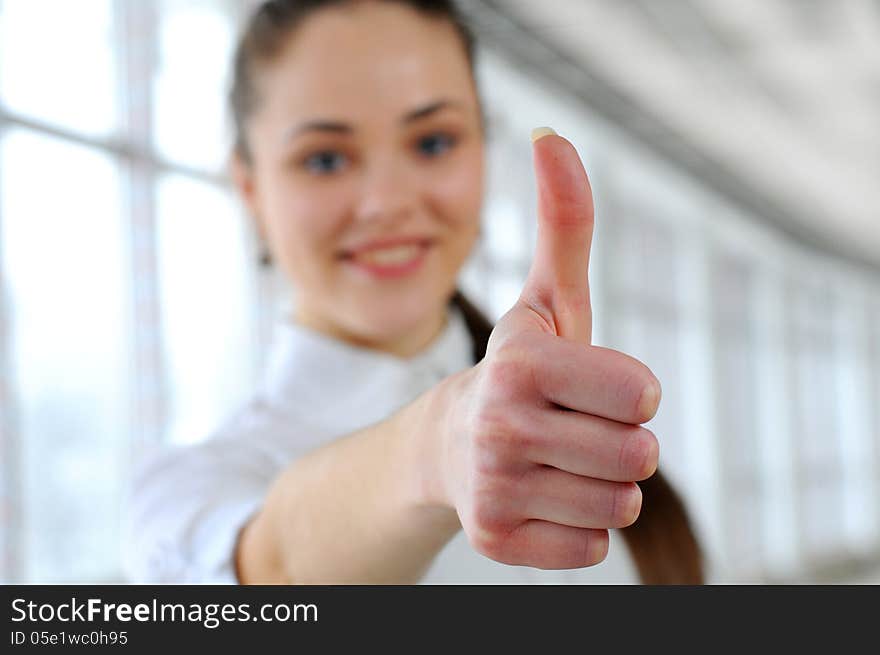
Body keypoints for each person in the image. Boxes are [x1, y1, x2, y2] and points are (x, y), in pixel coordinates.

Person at [124, 0, 703, 585]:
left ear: (482, 148)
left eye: (432, 143)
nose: (388, 202)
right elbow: (267, 573)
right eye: (325, 159)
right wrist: (435, 448)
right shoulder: (187, 494)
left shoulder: (590, 445)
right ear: (249, 190)